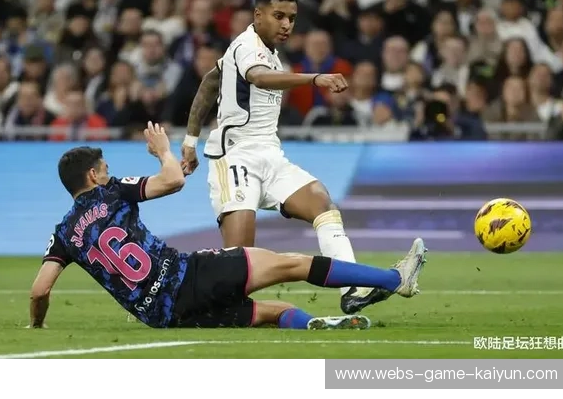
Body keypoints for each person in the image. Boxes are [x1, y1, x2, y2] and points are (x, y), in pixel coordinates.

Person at [28, 122, 428, 330]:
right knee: (292, 264)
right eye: (104, 168)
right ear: (94, 175)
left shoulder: (63, 233)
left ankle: (314, 325)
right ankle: (395, 279)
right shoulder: (112, 192)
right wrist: (164, 151)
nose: (108, 171)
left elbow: (40, 290)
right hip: (187, 276)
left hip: (162, 315)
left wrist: (37, 324)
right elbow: (173, 180)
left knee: (275, 312)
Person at [181, 0, 394, 315]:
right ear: (258, 15)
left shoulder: (266, 53)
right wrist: (314, 78)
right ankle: (199, 298)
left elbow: (210, 82)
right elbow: (260, 78)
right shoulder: (247, 46)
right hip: (236, 158)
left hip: (270, 154)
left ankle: (354, 289)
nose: (286, 25)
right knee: (239, 261)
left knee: (321, 202)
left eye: (291, 18)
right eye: (278, 16)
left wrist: (189, 140)